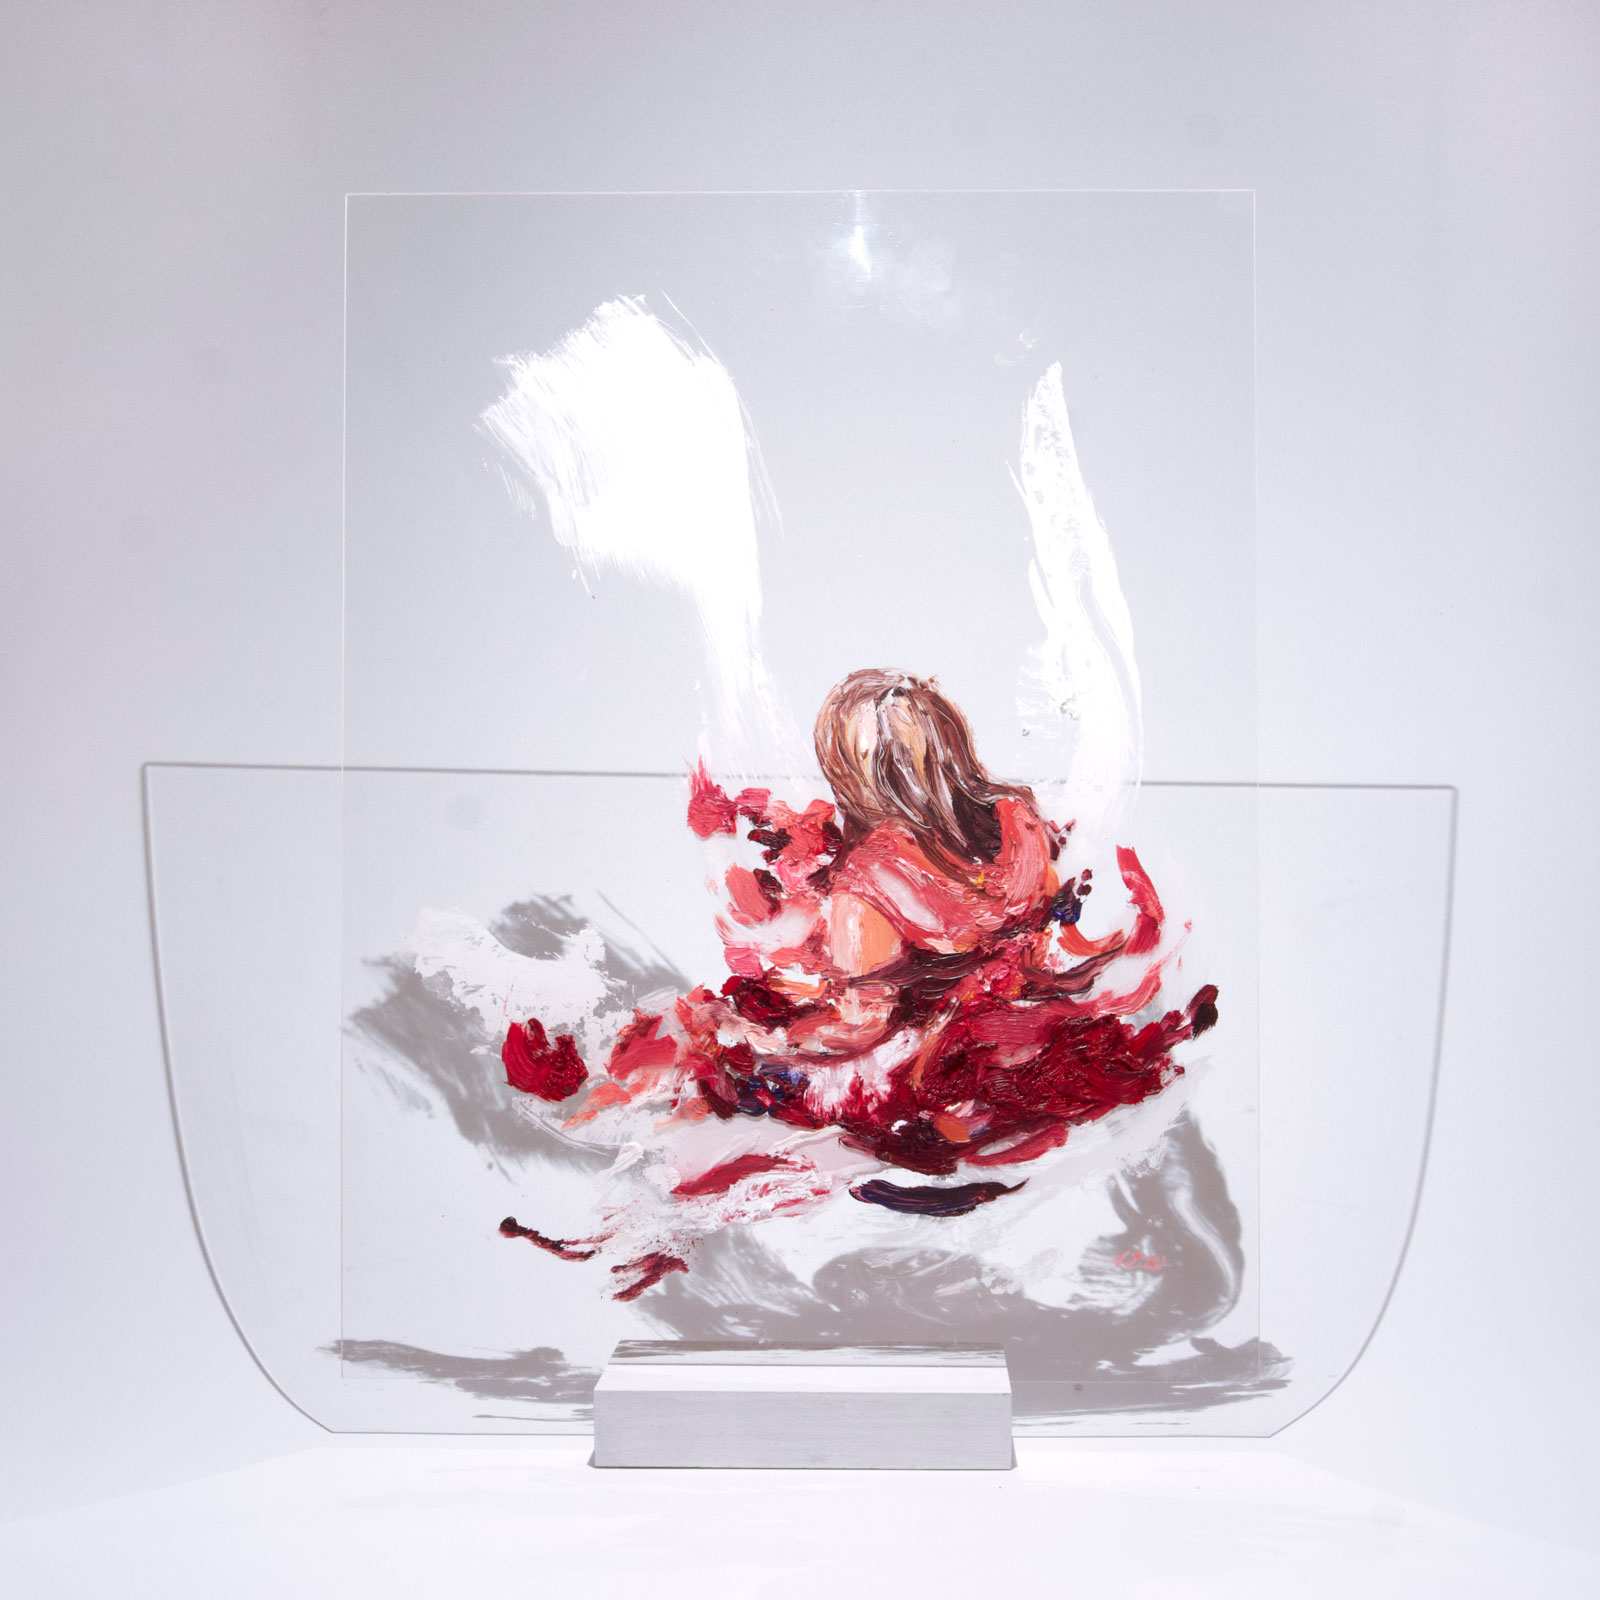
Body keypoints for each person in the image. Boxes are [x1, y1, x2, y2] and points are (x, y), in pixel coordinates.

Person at [498, 669, 1217, 1300]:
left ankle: (603, 1147)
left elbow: (861, 1025)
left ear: (849, 770)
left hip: (912, 1068)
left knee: (692, 1035)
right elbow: (1035, 947)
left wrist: (764, 1033)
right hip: (1013, 1031)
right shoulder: (1019, 820)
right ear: (951, 742)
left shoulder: (868, 879)